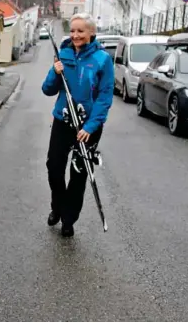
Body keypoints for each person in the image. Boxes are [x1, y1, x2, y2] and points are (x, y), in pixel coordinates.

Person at [41, 12, 114, 238]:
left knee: (79, 172)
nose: (75, 35)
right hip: (63, 120)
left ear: (91, 33)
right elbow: (48, 89)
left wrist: (90, 127)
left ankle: (68, 219)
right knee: (54, 167)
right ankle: (58, 207)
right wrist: (55, 72)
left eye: (81, 31)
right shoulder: (63, 52)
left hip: (87, 126)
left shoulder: (102, 59)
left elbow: (104, 97)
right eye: (72, 30)